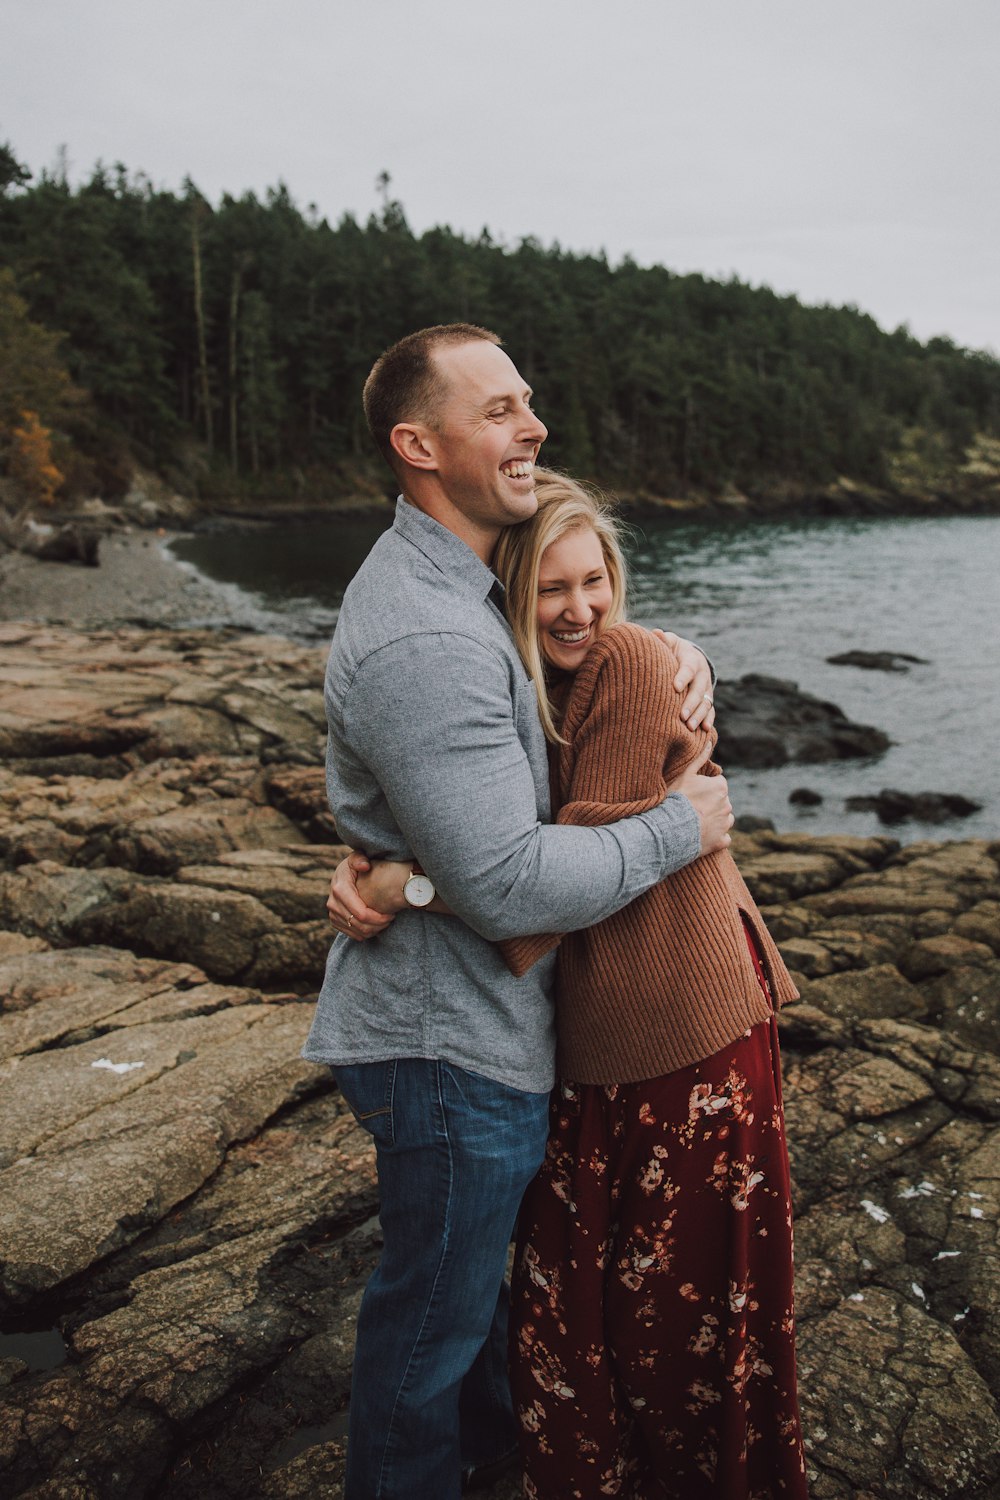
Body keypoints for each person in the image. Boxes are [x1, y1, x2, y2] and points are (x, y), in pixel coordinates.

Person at [305, 323, 732, 1500]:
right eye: (495, 410)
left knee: (474, 1317)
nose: (529, 425)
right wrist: (676, 830)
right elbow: (503, 882)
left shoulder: (473, 593)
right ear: (418, 444)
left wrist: (670, 653)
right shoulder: (426, 633)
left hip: (476, 1027)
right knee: (428, 1338)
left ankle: (494, 1467)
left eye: (527, 401)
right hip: (448, 1045)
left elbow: (571, 663)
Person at [349, 471, 809, 1499]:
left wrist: (409, 885)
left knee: (655, 1305)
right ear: (506, 597)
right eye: (549, 587)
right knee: (591, 1298)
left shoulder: (630, 663)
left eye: (595, 579)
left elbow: (553, 869)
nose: (579, 607)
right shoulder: (525, 681)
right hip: (615, 1026)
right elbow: (496, 830)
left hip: (680, 1022)